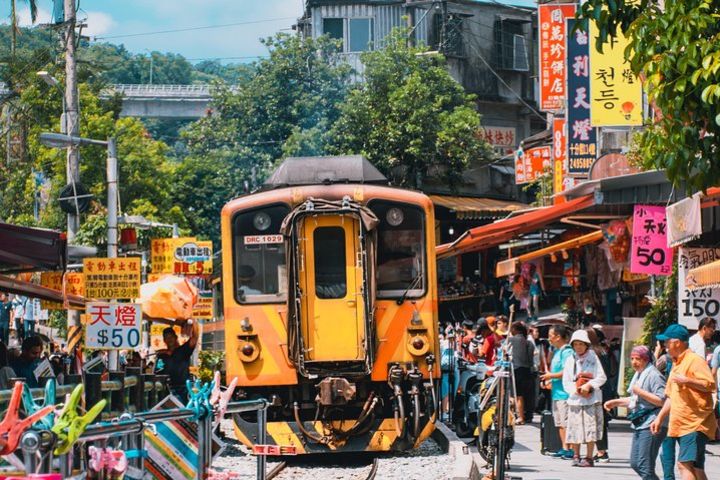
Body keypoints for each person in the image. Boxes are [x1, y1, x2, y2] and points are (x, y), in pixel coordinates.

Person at [650, 324, 716, 480]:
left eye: (666, 342)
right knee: (697, 468)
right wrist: (659, 418)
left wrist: (687, 380)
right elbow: (671, 397)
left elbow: (710, 385)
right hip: (682, 424)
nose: (664, 345)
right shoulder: (676, 364)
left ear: (677, 342)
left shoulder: (694, 360)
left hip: (694, 423)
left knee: (683, 465)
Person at [604, 345, 667, 480]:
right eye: (632, 359)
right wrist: (615, 402)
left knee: (644, 465)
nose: (634, 362)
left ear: (646, 359)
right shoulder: (639, 375)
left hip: (652, 423)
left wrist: (640, 391)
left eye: (638, 359)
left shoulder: (654, 375)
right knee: (635, 463)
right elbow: (636, 399)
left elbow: (662, 400)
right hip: (641, 423)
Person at [562, 329, 607, 467]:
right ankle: (576, 455)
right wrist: (576, 389)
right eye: (575, 344)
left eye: (581, 344)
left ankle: (588, 457)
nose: (578, 347)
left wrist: (589, 386)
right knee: (575, 427)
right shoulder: (571, 359)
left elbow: (601, 377)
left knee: (590, 428)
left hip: (591, 399)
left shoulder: (594, 357)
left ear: (586, 344)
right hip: (575, 399)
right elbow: (566, 381)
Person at [540, 324, 575, 459]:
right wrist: (550, 380)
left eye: (551, 336)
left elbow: (567, 371)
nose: (549, 339)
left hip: (565, 393)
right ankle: (564, 447)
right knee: (559, 422)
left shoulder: (567, 352)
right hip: (556, 392)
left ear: (558, 337)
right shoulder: (557, 351)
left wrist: (550, 376)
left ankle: (570, 449)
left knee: (566, 422)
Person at [156, 321, 199, 402]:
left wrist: (194, 322)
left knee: (182, 412)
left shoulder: (183, 350)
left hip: (182, 389)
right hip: (165, 390)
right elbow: (157, 371)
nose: (169, 340)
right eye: (166, 338)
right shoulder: (161, 355)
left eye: (171, 337)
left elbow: (194, 338)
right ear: (164, 340)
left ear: (175, 337)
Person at [508, 321, 535, 424]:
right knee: (524, 395)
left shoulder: (510, 340)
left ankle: (519, 417)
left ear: (515, 330)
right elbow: (530, 360)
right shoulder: (529, 343)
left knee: (515, 395)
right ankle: (523, 416)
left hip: (515, 369)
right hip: (527, 370)